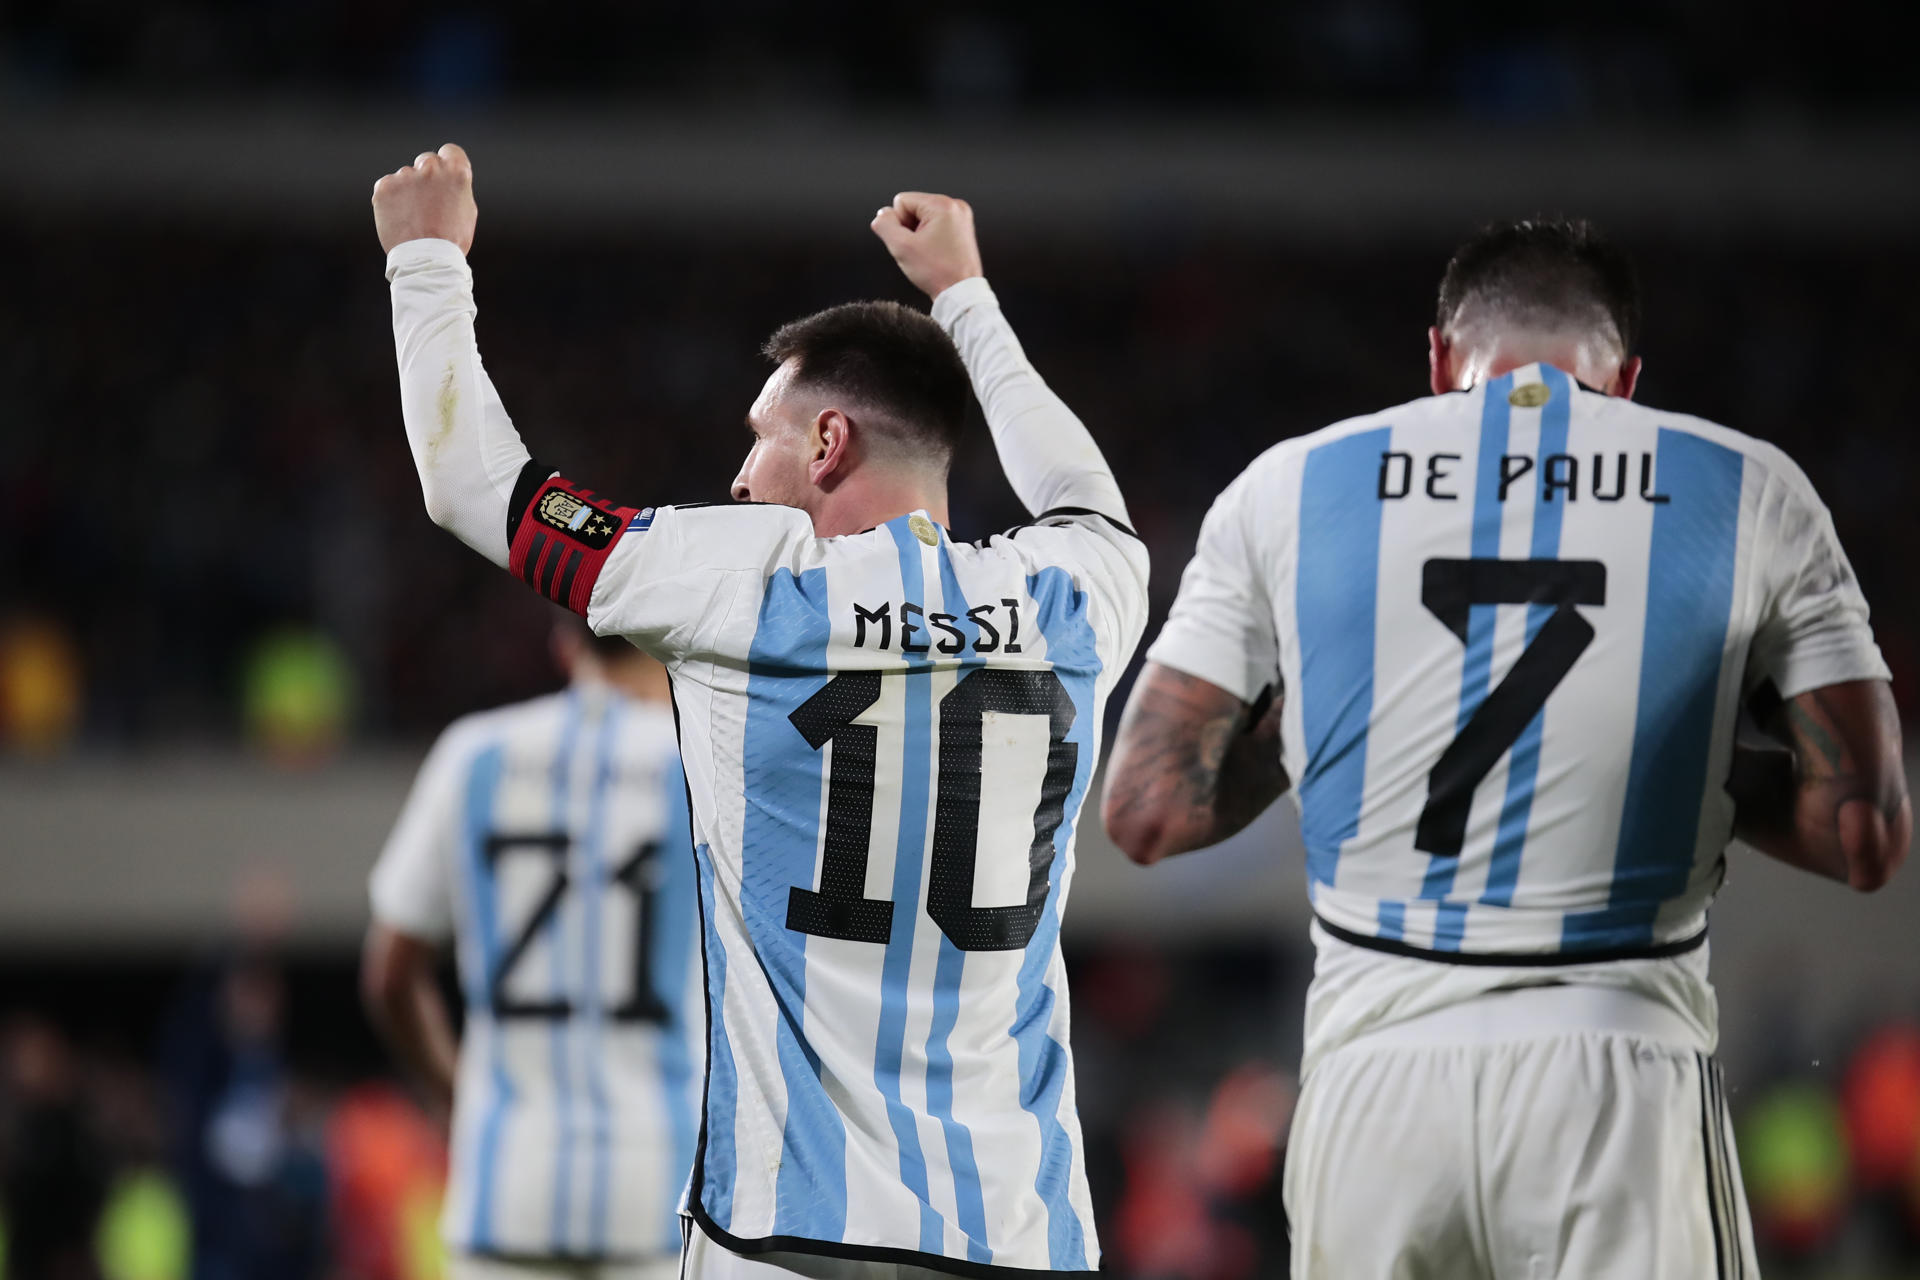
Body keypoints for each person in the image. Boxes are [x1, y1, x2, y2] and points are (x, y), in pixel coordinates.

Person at [371, 145, 1148, 1279]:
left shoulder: (748, 586)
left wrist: (427, 262)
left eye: (761, 435)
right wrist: (966, 298)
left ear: (828, 443)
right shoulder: (1074, 595)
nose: (739, 476)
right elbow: (1082, 491)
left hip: (787, 1234)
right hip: (1013, 1233)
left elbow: (474, 486)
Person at [1103, 218, 1910, 1278]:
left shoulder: (1287, 486)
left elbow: (1147, 809)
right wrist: (1695, 761)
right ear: (1628, 380)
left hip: (1375, 1071)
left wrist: (1315, 730)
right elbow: (1862, 832)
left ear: (1439, 359)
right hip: (1617, 1062)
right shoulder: (1749, 488)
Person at [363, 622, 700, 1280]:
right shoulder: (702, 763)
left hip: (506, 1178)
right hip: (661, 1186)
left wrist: (458, 1098)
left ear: (565, 643)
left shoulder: (473, 754)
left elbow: (390, 975)